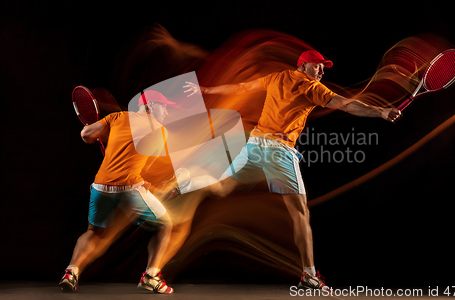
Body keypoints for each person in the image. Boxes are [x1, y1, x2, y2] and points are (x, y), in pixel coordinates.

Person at [182, 49, 401, 290]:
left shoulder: (277, 77)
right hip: (278, 150)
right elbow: (347, 106)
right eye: (317, 65)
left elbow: (243, 88)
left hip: (254, 145)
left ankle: (187, 181)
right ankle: (309, 275)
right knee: (300, 214)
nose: (321, 70)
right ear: (303, 66)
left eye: (323, 66)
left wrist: (208, 91)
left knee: (222, 187)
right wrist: (380, 112)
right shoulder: (312, 88)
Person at [59, 90, 178, 294]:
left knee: (93, 232)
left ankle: (71, 272)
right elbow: (150, 165)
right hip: (129, 188)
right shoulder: (159, 129)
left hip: (100, 187)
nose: (166, 111)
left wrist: (103, 137)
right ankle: (151, 276)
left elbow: (86, 135)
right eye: (163, 106)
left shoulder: (117, 117)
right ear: (149, 106)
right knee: (165, 225)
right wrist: (155, 183)